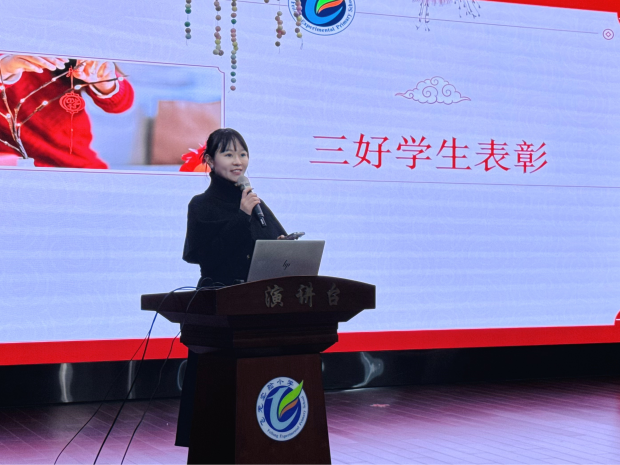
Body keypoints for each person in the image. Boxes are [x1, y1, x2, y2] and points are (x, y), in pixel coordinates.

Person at [177, 128, 287, 447]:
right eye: (228, 154)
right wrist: (241, 216)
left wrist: (283, 246)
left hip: (257, 309)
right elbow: (205, 255)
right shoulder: (201, 204)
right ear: (210, 161)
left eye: (243, 154)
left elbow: (274, 240)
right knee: (217, 398)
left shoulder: (254, 202)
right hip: (219, 308)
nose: (238, 161)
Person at [0, 55, 134, 168]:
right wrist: (5, 67)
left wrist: (105, 82)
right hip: (12, 159)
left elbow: (120, 103)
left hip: (72, 157)